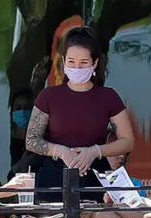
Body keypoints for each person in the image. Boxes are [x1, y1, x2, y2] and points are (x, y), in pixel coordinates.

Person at [25, 26, 135, 200]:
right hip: (54, 180)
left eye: (83, 62)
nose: (77, 67)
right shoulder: (48, 96)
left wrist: (94, 152)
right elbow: (31, 140)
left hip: (95, 178)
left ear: (95, 63)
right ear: (63, 61)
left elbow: (127, 142)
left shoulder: (108, 97)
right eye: (71, 61)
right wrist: (61, 151)